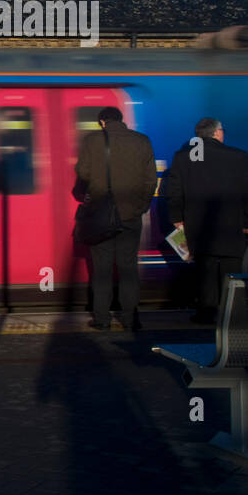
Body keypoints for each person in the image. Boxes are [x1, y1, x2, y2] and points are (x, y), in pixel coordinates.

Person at [74, 106, 157, 331]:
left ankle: (102, 319)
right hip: (130, 216)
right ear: (121, 120)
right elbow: (151, 180)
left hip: (101, 215)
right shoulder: (142, 140)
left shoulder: (92, 140)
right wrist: (140, 207)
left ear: (102, 122)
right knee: (128, 267)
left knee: (101, 269)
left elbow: (83, 172)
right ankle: (130, 319)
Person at [164, 118, 248, 323]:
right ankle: (232, 315)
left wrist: (177, 218)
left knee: (204, 270)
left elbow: (174, 192)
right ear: (218, 133)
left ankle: (206, 313)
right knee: (231, 271)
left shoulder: (183, 158)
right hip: (231, 224)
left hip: (197, 225)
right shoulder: (239, 157)